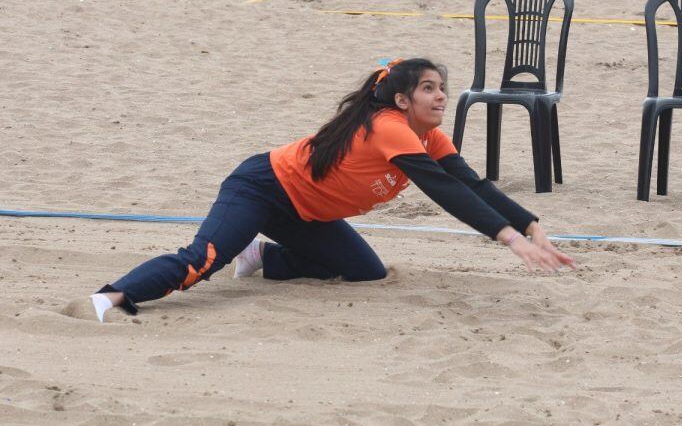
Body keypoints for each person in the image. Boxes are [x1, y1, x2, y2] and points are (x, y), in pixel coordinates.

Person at [90, 58, 575, 322]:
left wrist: (531, 226)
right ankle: (108, 298)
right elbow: (445, 192)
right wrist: (508, 239)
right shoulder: (388, 126)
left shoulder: (431, 136)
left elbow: (470, 184)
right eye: (429, 88)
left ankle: (264, 256)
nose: (442, 94)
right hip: (262, 188)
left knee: (365, 271)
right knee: (204, 260)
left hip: (306, 213)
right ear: (402, 99)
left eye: (442, 86)